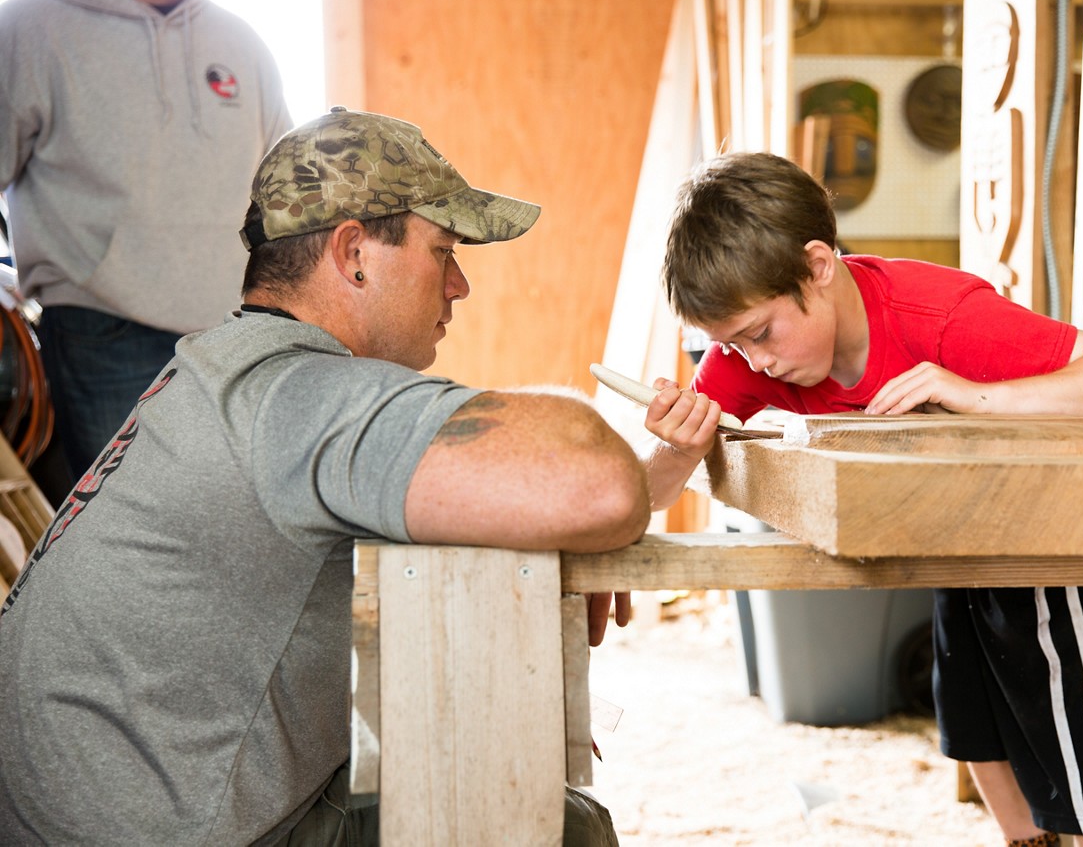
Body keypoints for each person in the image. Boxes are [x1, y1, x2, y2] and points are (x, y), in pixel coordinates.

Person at [0, 107, 648, 845]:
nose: (460, 285)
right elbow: (596, 482)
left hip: (86, 816)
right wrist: (565, 514)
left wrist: (545, 528)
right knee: (561, 825)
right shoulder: (294, 396)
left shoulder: (221, 373)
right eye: (443, 251)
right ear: (354, 253)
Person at [643, 151, 1083, 847]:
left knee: (1081, 764)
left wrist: (970, 395)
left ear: (818, 267)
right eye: (730, 347)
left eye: (759, 336)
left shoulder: (942, 316)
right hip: (967, 525)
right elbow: (651, 496)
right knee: (974, 714)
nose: (752, 363)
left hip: (1068, 523)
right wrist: (674, 449)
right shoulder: (752, 352)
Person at [0, 0, 294, 489]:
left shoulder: (240, 40)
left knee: (240, 527)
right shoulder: (28, 27)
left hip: (242, 336)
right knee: (131, 532)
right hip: (105, 334)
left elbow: (286, 190)